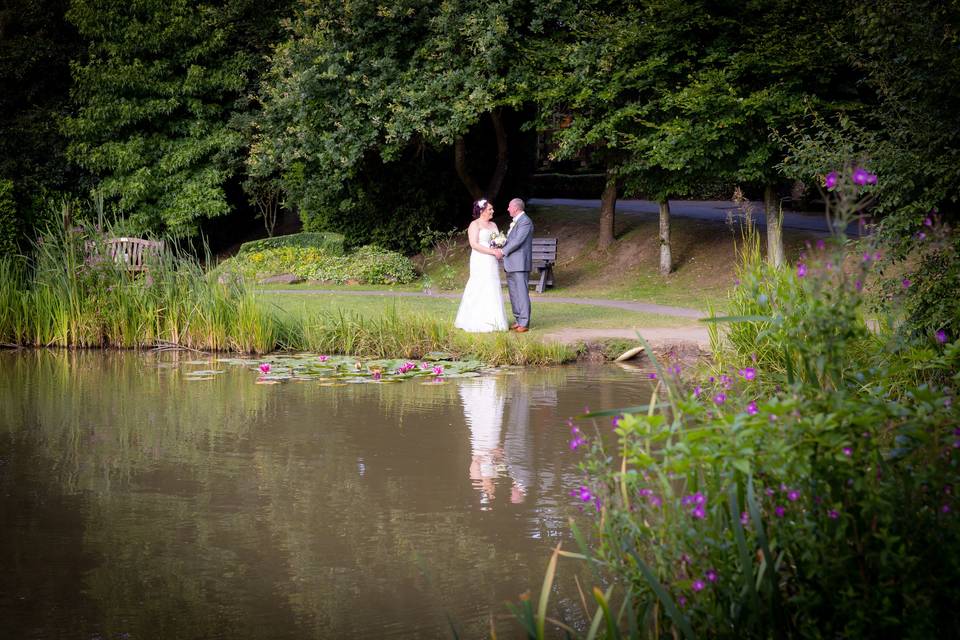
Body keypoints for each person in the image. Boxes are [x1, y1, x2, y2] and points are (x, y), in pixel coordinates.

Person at [454, 198, 509, 333]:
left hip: (491, 261)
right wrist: (492, 251)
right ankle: (475, 319)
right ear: (482, 211)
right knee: (479, 285)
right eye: (490, 209)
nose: (492, 211)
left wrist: (499, 247)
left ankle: (494, 320)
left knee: (492, 285)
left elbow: (495, 240)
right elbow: (474, 244)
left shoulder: (494, 225)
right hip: (480, 259)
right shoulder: (474, 224)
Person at [495, 198, 534, 332]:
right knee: (513, 293)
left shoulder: (525, 222)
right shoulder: (516, 222)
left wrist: (502, 251)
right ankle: (518, 319)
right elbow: (511, 240)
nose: (507, 209)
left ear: (516, 208)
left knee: (521, 293)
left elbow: (518, 241)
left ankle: (524, 322)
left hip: (520, 264)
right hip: (511, 263)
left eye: (509, 207)